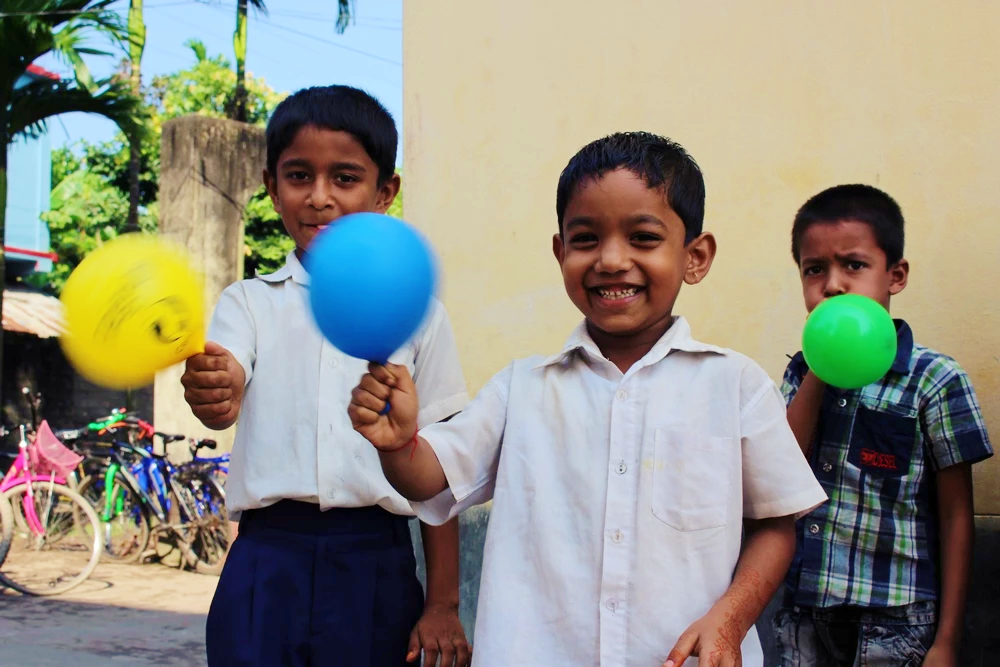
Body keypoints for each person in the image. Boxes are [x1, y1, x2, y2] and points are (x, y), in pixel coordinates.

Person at [347, 131, 828, 667]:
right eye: (586, 239)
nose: (611, 260)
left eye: (643, 238)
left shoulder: (735, 384)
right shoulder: (521, 388)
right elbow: (426, 479)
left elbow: (775, 525)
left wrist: (732, 619)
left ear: (696, 256)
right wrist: (397, 445)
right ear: (560, 252)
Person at [181, 85, 472, 667]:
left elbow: (443, 467)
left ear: (384, 191)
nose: (319, 198)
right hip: (266, 560)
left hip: (377, 562)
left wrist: (442, 603)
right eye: (298, 176)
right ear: (272, 187)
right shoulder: (248, 303)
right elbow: (225, 383)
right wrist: (217, 388)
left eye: (344, 178)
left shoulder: (420, 313)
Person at [774, 184, 994, 666]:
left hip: (895, 621)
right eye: (815, 270)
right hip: (804, 612)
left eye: (853, 265)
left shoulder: (935, 380)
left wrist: (948, 642)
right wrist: (818, 371)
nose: (832, 285)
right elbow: (780, 475)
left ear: (895, 276)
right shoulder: (799, 373)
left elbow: (957, 516)